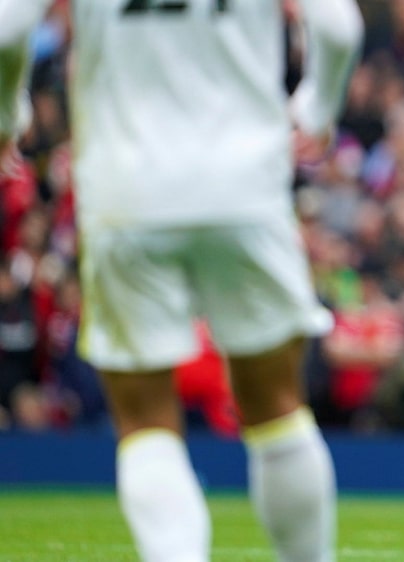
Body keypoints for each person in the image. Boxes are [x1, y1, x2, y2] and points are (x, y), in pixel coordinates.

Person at [0, 1, 362, 561]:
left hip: (126, 193)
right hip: (245, 189)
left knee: (146, 424)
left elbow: (7, 31)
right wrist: (318, 107)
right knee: (277, 410)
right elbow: (339, 28)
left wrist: (8, 115)